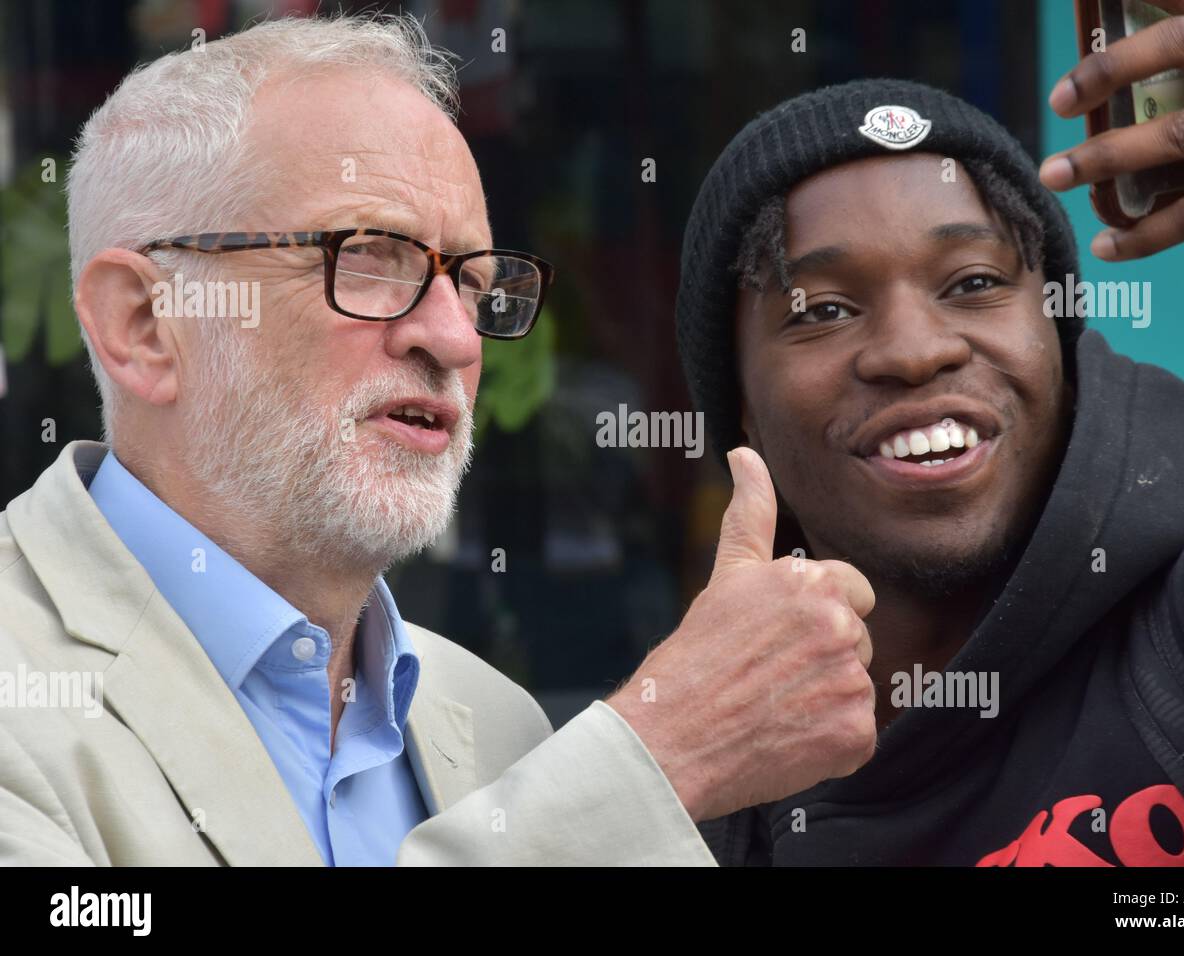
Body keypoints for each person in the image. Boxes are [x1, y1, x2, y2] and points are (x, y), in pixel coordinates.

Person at [0, 14, 878, 866]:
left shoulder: (491, 719)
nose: (456, 340)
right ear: (146, 324)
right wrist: (658, 758)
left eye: (475, 282)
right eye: (371, 257)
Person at [675, 0, 1184, 866]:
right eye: (822, 309)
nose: (914, 351)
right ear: (739, 404)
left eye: (972, 282)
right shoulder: (695, 807)